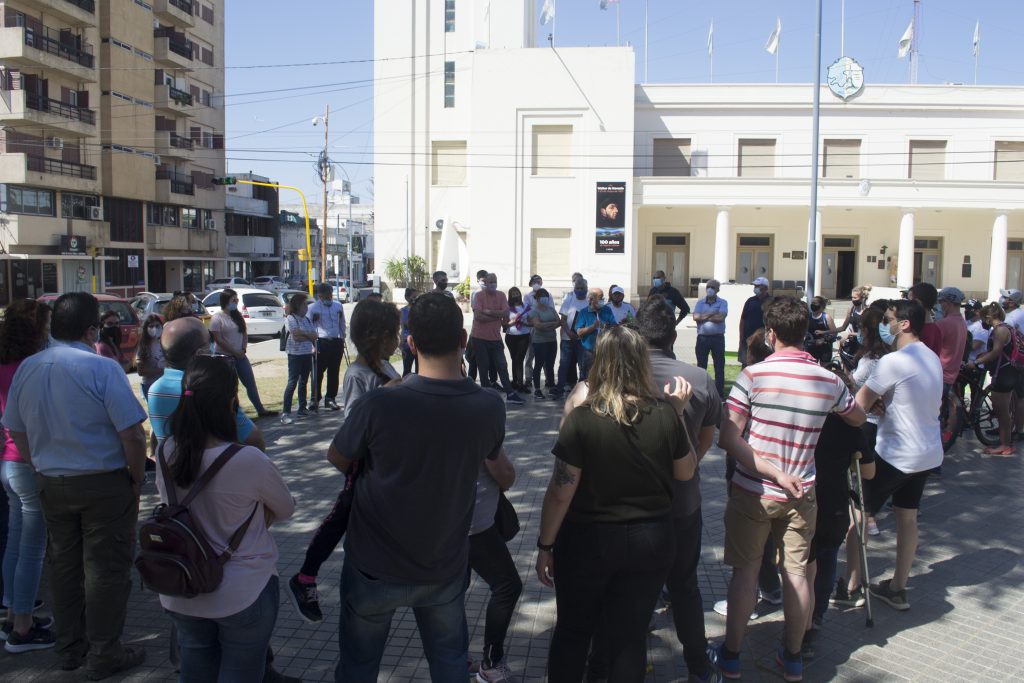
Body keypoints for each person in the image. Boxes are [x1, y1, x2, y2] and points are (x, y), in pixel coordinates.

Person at [329, 292, 506, 681]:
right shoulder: (489, 406)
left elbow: (338, 458)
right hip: (443, 563)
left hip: (374, 563)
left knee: (358, 666)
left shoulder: (378, 405)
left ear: (410, 342)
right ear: (464, 339)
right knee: (448, 663)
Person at [712, 296, 866, 682]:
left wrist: (772, 472)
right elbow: (858, 417)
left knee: (745, 574)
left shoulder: (753, 376)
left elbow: (728, 438)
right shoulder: (829, 381)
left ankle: (731, 657)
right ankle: (793, 658)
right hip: (803, 493)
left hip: (753, 490)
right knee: (797, 577)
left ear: (772, 333)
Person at [535, 325, 697, 681]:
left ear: (600, 362)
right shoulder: (666, 414)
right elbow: (687, 472)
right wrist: (678, 412)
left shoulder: (582, 418)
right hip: (651, 540)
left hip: (587, 541)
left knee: (574, 631)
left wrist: (545, 544)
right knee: (628, 638)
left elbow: (561, 491)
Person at [2, 292, 148, 678]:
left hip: (52, 481)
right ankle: (104, 653)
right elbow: (132, 434)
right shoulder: (101, 368)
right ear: (91, 330)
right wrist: (135, 480)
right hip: (102, 483)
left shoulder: (29, 367)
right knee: (106, 572)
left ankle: (69, 650)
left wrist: (39, 462)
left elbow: (14, 427)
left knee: (64, 568)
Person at [156, 356, 295, 682]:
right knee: (242, 671)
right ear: (232, 402)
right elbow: (286, 508)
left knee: (195, 666)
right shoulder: (247, 459)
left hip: (182, 587)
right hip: (243, 591)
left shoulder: (165, 450)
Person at [288, 299, 402, 624]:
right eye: (394, 332)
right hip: (362, 465)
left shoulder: (386, 366)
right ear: (379, 336)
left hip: (383, 464)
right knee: (340, 518)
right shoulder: (358, 373)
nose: (399, 336)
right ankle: (305, 578)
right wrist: (388, 395)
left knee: (361, 521)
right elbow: (354, 421)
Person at [635, 296, 723, 683]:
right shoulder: (700, 379)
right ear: (673, 336)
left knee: (632, 589)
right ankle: (699, 670)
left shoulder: (619, 377)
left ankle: (629, 664)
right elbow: (707, 439)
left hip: (630, 505)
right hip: (682, 502)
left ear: (638, 335)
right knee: (685, 587)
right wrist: (688, 466)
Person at [853, 300, 943, 611]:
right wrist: (883, 403)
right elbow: (908, 399)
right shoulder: (930, 357)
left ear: (903, 324)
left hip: (896, 454)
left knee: (859, 516)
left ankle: (851, 585)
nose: (885, 324)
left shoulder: (894, 361)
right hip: (926, 453)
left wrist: (869, 404)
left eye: (889, 319)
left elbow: (858, 407)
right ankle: (897, 587)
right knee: (907, 517)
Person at [0, 300, 53, 653]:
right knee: (32, 547)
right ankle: (22, 627)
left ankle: (13, 612)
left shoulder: (4, 364)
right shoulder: (31, 368)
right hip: (28, 461)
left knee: (16, 542)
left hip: (8, 462)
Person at [802, 411, 874, 656]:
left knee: (804, 564)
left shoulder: (806, 419)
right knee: (827, 556)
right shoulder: (850, 428)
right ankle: (818, 614)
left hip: (805, 502)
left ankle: (802, 618)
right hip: (834, 507)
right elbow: (868, 472)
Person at [148, 317, 266, 454]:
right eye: (209, 341)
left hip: (173, 472)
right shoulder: (210, 386)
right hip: (218, 472)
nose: (213, 346)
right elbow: (253, 439)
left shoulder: (155, 390)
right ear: (199, 353)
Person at [467, 450, 519, 682]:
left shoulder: (422, 414)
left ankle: (456, 656)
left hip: (441, 521)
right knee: (508, 585)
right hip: (474, 525)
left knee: (452, 591)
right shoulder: (477, 415)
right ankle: (491, 663)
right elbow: (504, 473)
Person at [210, 289, 276, 418]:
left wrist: (243, 349)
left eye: (237, 300)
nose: (236, 302)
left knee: (250, 383)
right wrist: (234, 351)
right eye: (233, 300)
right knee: (231, 387)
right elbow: (218, 339)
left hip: (241, 356)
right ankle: (234, 413)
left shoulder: (237, 315)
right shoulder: (217, 318)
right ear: (225, 301)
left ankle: (260, 410)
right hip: (225, 358)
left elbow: (244, 333)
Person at [967, 303, 1018, 455]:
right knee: (1003, 411)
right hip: (1007, 372)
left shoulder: (1000, 331)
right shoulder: (1007, 327)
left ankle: (1005, 444)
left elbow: (996, 352)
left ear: (988, 317)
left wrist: (976, 362)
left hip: (1003, 373)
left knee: (1001, 411)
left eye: (983, 318)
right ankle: (1005, 443)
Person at [472, 273, 524, 404]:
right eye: (490, 282)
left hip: (495, 338)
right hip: (479, 337)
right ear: (485, 283)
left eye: (494, 282)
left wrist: (488, 311)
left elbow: (506, 313)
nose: (492, 284)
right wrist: (497, 316)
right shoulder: (478, 296)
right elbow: (478, 316)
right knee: (483, 367)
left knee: (502, 365)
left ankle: (510, 393)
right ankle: (485, 394)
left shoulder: (501, 295)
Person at [935, 287, 968, 445]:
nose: (940, 305)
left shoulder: (944, 324)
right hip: (951, 373)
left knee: (933, 417)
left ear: (947, 303)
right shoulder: (962, 322)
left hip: (939, 373)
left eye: (941, 302)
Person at [308, 283, 347, 412]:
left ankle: (330, 398)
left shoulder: (338, 305)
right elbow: (308, 326)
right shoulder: (312, 308)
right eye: (326, 295)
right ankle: (315, 399)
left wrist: (342, 337)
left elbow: (342, 321)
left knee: (334, 371)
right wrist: (311, 344)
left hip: (335, 341)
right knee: (318, 372)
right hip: (320, 341)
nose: (329, 297)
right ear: (319, 296)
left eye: (330, 294)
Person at [281, 292, 318, 425]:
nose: (306, 307)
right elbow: (295, 336)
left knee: (304, 381)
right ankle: (286, 412)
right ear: (298, 305)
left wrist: (305, 334)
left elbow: (315, 335)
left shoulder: (307, 319)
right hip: (295, 355)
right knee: (292, 382)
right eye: (304, 304)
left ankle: (302, 408)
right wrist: (307, 335)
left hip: (306, 353)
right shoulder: (291, 318)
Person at [553, 277, 591, 399]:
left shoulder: (589, 302)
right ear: (574, 289)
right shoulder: (569, 300)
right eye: (577, 288)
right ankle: (559, 391)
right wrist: (569, 333)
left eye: (582, 288)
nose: (580, 290)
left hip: (583, 340)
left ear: (587, 288)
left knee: (583, 366)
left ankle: (581, 392)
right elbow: (562, 320)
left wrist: (583, 333)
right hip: (567, 340)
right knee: (564, 365)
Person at [693, 279, 728, 397]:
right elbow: (695, 317)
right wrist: (712, 313)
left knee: (719, 366)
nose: (710, 289)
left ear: (717, 289)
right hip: (702, 338)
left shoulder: (723, 302)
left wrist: (704, 316)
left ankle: (719, 392)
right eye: (708, 287)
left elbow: (721, 317)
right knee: (701, 366)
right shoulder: (700, 303)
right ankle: (701, 392)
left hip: (718, 339)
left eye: (713, 287)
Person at [574, 287, 616, 380]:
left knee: (605, 376)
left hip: (605, 349)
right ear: (591, 299)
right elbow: (579, 332)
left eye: (602, 297)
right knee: (587, 377)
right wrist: (592, 327)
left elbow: (614, 326)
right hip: (588, 351)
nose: (602, 300)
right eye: (600, 297)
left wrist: (605, 326)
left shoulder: (607, 310)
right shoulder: (583, 312)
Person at [528, 288, 560, 400]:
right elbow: (538, 326)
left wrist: (546, 325)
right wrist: (552, 324)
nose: (544, 298)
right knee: (539, 364)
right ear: (536, 298)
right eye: (541, 296)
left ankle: (551, 386)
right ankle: (537, 389)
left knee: (550, 364)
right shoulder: (534, 311)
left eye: (546, 296)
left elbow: (559, 322)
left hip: (552, 340)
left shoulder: (551, 309)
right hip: (539, 341)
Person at [504, 286, 532, 393]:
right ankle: (515, 381)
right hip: (511, 336)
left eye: (517, 293)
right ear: (510, 296)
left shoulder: (526, 307)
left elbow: (531, 322)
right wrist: (514, 321)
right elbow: (504, 324)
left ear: (520, 294)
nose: (515, 295)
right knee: (514, 359)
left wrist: (524, 322)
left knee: (519, 359)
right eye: (513, 294)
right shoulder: (507, 308)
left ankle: (520, 384)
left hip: (524, 335)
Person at [738, 277, 771, 367]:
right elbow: (743, 319)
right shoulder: (750, 301)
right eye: (755, 286)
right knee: (746, 364)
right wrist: (741, 337)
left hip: (764, 341)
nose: (755, 288)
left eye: (758, 286)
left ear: (765, 288)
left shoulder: (771, 301)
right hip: (748, 339)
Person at [908, 282, 944, 356]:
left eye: (909, 301)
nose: (906, 305)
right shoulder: (935, 328)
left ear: (918, 302)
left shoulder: (917, 330)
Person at [136, 314, 166, 400]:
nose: (155, 329)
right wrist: (164, 371)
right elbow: (140, 371)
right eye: (151, 326)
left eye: (157, 326)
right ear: (146, 328)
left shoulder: (165, 342)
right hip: (150, 385)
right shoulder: (143, 346)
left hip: (164, 384)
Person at [836, 285, 871, 355]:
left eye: (855, 297)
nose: (853, 300)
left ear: (862, 298)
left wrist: (853, 334)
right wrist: (827, 332)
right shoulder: (852, 309)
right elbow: (843, 327)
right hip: (850, 344)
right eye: (852, 297)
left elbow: (869, 333)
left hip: (861, 345)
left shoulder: (868, 312)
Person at [523, 274, 544, 381]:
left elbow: (551, 310)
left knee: (543, 355)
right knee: (529, 354)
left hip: (543, 327)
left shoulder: (546, 294)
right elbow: (526, 312)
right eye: (535, 282)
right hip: (531, 327)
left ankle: (548, 378)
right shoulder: (527, 296)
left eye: (539, 282)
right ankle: (528, 378)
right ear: (531, 283)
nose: (537, 284)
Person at [805, 296, 836, 366]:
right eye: (812, 303)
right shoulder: (808, 316)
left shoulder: (826, 317)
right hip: (811, 347)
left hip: (825, 348)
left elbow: (834, 332)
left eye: (815, 303)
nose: (813, 305)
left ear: (821, 306)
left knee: (825, 368)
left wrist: (823, 339)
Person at [400, 287, 420, 377]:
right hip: (407, 345)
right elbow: (403, 326)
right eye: (414, 296)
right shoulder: (402, 311)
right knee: (407, 370)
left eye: (418, 296)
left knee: (419, 370)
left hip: (419, 343)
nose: (416, 299)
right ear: (407, 298)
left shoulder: (421, 310)